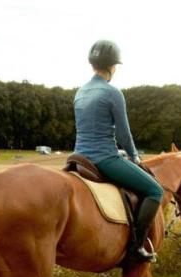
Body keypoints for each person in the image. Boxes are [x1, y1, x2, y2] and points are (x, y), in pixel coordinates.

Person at [73, 40, 163, 262]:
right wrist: (134, 156)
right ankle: (136, 247)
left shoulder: (80, 92)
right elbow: (124, 134)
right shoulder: (113, 93)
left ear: (93, 63)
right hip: (103, 158)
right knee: (155, 191)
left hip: (78, 158)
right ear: (112, 66)